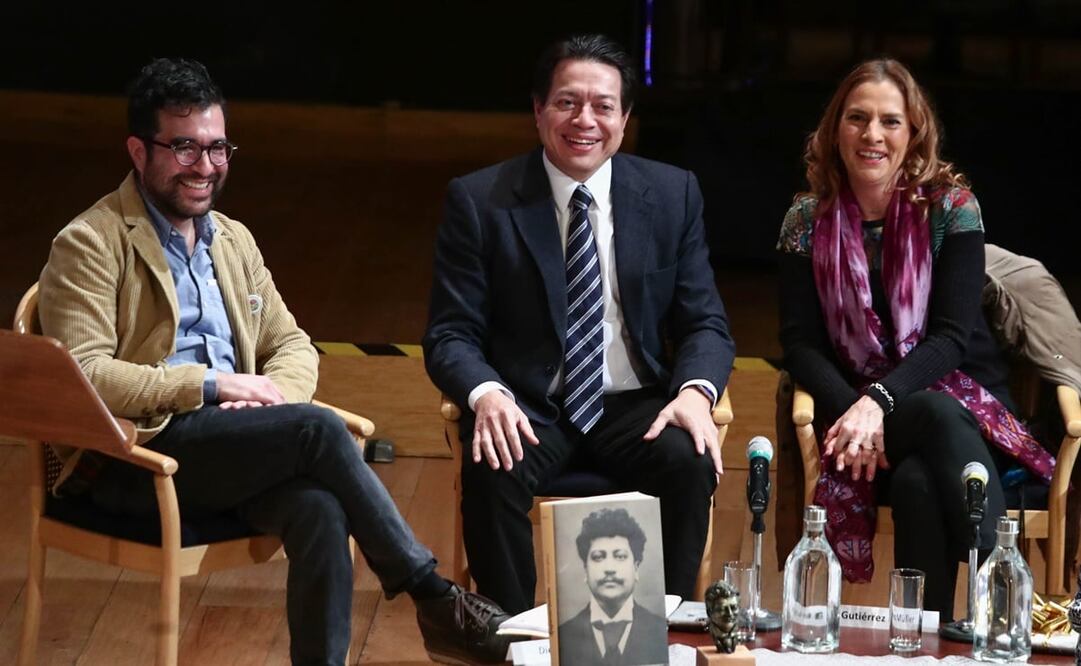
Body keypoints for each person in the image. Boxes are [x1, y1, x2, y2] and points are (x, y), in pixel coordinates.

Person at [37, 57, 514, 666]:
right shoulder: (90, 241)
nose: (205, 167)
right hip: (133, 460)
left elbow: (292, 343)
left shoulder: (230, 238)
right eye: (184, 148)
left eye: (217, 148)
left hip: (226, 447)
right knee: (319, 427)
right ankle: (432, 595)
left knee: (318, 507)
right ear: (138, 150)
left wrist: (269, 400)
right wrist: (210, 386)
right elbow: (83, 375)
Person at [423, 34, 736, 615]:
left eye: (603, 106)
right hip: (530, 404)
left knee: (691, 460)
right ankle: (508, 639)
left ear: (625, 118)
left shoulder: (672, 194)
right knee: (491, 467)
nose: (584, 120)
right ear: (538, 110)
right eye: (567, 102)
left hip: (635, 403)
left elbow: (706, 323)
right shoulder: (479, 200)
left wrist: (695, 392)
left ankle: (658, 634)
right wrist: (486, 393)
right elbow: (449, 333)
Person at [776, 58, 1055, 617]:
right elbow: (799, 342)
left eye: (890, 121)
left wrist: (877, 401)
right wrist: (855, 412)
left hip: (962, 402)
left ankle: (926, 634)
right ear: (835, 130)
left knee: (917, 484)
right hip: (856, 418)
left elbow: (951, 338)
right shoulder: (806, 219)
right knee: (928, 421)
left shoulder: (952, 209)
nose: (872, 134)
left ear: (915, 132)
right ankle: (999, 602)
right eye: (856, 118)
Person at [557, 508, 668, 666]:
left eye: (620, 556)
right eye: (598, 557)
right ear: (585, 569)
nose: (609, 568)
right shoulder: (563, 635)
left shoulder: (658, 630)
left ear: (636, 567)